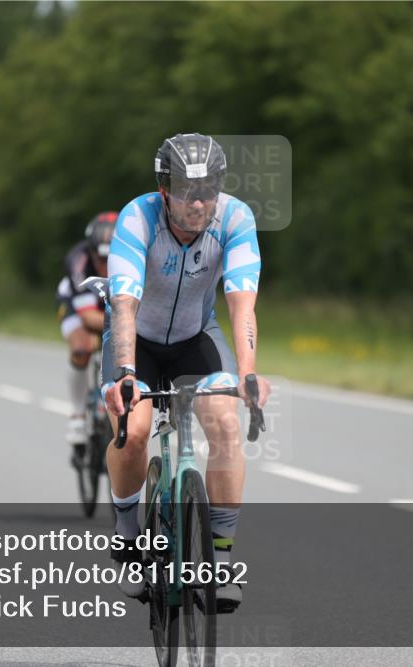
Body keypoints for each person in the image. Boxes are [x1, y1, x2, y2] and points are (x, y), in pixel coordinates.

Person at [103, 133, 270, 611]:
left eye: (208, 190)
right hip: (137, 339)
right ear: (164, 190)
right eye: (186, 191)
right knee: (132, 432)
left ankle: (219, 562)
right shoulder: (137, 219)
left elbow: (242, 305)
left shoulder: (235, 218)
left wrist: (249, 373)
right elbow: (125, 304)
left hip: (197, 336)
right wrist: (128, 373)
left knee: (223, 422)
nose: (198, 203)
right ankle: (127, 529)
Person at [55, 211, 117, 462]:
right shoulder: (78, 261)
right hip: (77, 306)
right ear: (89, 251)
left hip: (111, 301)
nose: (104, 265)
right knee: (82, 348)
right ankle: (79, 415)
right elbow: (89, 317)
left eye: (110, 258)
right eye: (99, 257)